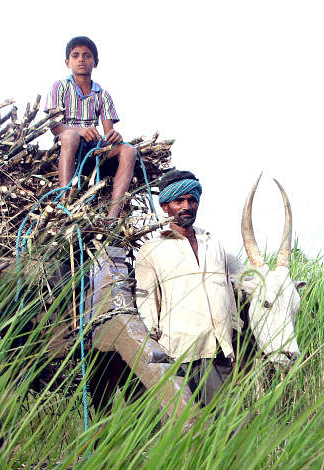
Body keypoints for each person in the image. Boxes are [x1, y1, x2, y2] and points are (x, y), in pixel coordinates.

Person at [134, 170, 244, 405]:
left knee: (226, 428)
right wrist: (156, 353)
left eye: (192, 200)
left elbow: (238, 285)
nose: (187, 206)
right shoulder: (152, 249)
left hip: (222, 350)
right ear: (166, 206)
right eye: (179, 201)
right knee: (198, 427)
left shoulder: (214, 244)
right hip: (182, 352)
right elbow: (147, 304)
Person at [44, 36, 137, 220]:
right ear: (67, 62)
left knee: (129, 150)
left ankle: (112, 216)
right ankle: (64, 202)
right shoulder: (60, 87)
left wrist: (114, 136)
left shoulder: (102, 94)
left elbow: (108, 131)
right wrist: (79, 130)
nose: (81, 59)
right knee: (70, 136)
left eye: (86, 56)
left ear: (95, 62)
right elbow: (54, 126)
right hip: (67, 142)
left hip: (93, 146)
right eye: (76, 55)